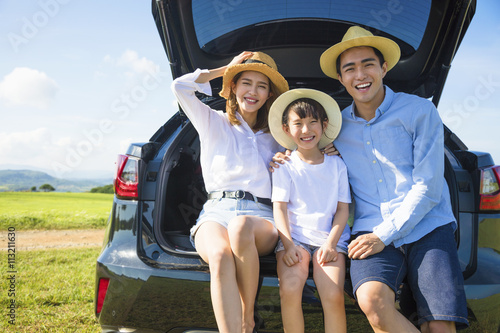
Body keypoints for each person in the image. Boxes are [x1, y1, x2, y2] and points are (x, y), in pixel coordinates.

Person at [318, 26, 469, 332]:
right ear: (341, 78)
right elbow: (304, 148)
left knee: (440, 327)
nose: (360, 74)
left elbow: (428, 188)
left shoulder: (419, 111)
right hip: (369, 228)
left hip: (428, 225)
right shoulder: (334, 127)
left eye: (368, 65)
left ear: (384, 68)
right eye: (350, 68)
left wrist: (382, 236)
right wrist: (285, 155)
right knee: (373, 302)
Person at [171, 51, 289, 333]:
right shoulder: (212, 120)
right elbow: (180, 86)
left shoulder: (279, 135)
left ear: (269, 94)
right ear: (233, 87)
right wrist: (227, 68)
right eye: (245, 82)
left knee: (240, 226)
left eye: (262, 86)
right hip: (214, 213)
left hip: (260, 216)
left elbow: (313, 146)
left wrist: (320, 150)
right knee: (221, 255)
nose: (253, 91)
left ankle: (248, 318)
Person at [268, 88, 351, 333]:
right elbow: (279, 209)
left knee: (334, 295)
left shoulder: (337, 165)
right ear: (286, 129)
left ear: (324, 125)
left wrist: (331, 244)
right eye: (298, 124)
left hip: (330, 240)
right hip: (296, 240)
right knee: (290, 290)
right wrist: (289, 244)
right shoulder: (284, 165)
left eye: (313, 122)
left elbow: (343, 211)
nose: (306, 130)